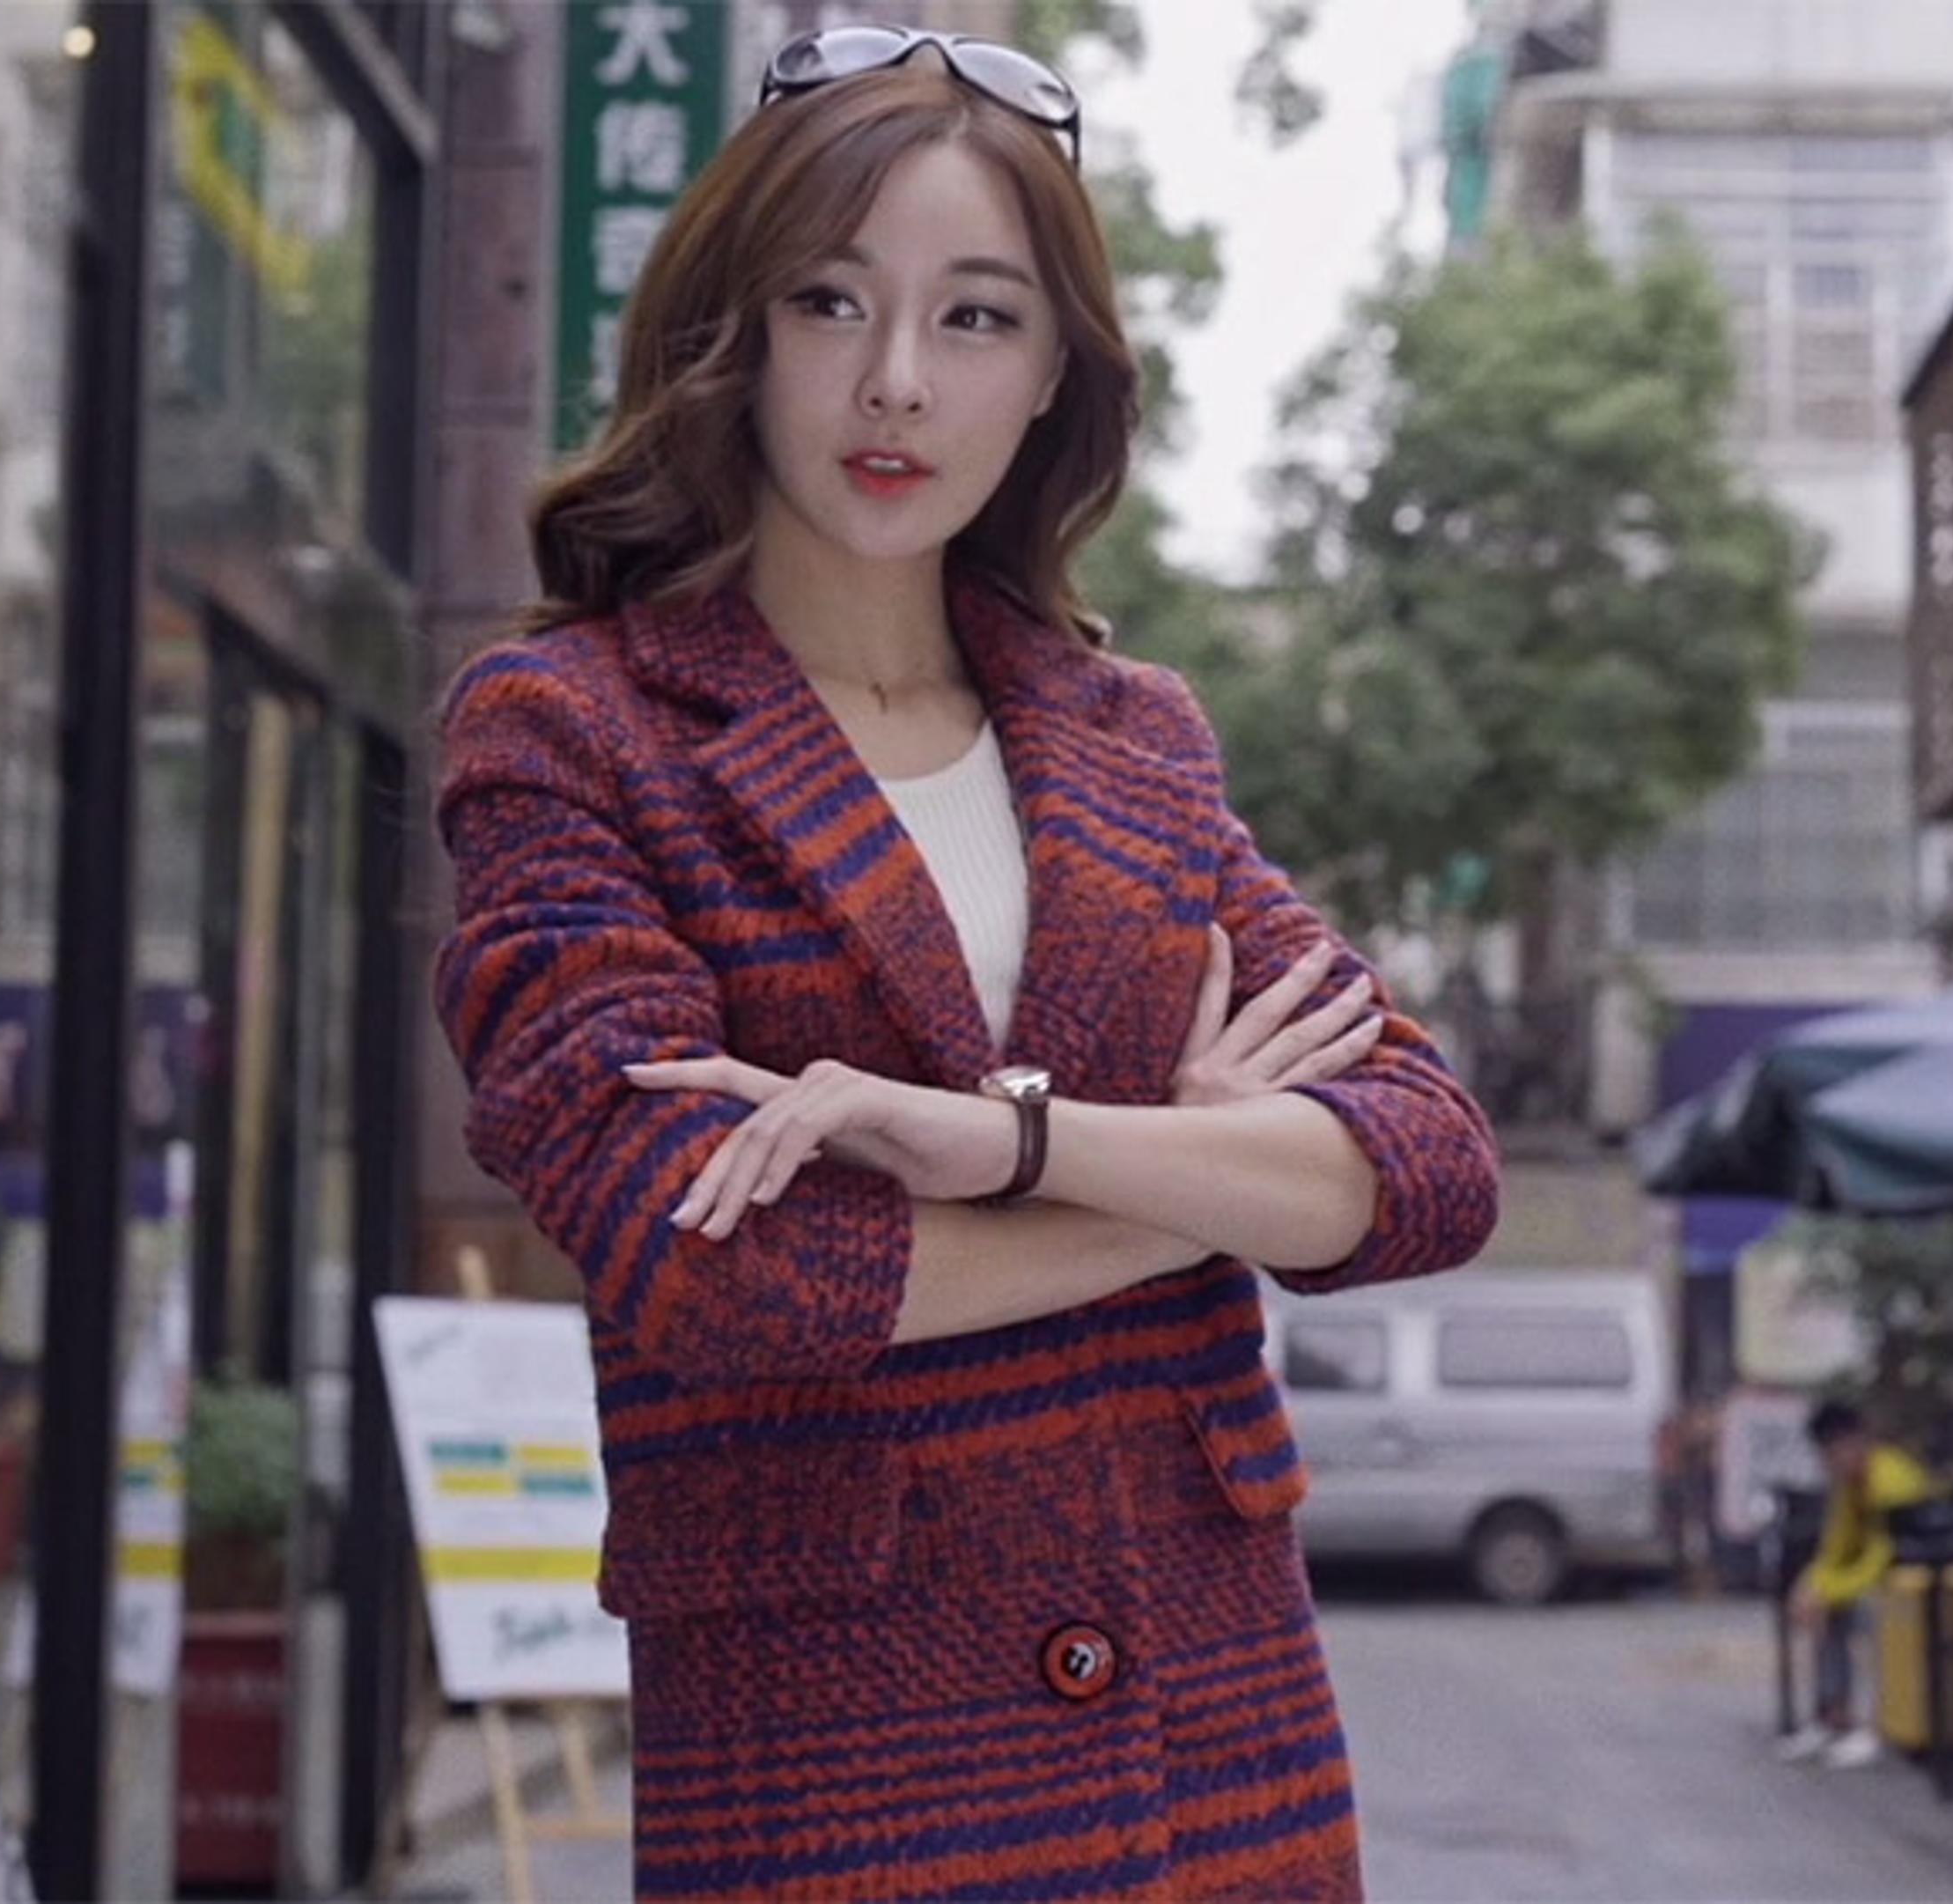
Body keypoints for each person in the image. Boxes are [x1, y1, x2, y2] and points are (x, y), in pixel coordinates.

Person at [431, 26, 1501, 1899]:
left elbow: (1424, 1164)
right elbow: (720, 1266)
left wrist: (1009, 1144)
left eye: (978, 316)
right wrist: (1202, 1180)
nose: (899, 380)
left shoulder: (1132, 741)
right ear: (734, 329)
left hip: (1217, 1750)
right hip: (839, 1767)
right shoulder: (574, 731)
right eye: (831, 300)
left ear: (1053, 375)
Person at [1780, 1398, 1939, 1768]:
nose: (1829, 1463)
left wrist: (1829, 1590)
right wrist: (1812, 1587)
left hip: (1916, 1586)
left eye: (1833, 1452)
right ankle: (1831, 1717)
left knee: (1869, 1612)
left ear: (1857, 1441)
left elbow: (1883, 1557)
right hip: (1885, 1582)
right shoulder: (1848, 1487)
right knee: (1828, 1612)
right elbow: (1836, 1548)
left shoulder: (1891, 1480)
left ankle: (1875, 1725)